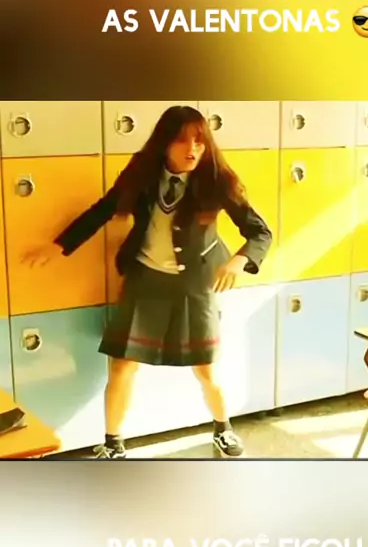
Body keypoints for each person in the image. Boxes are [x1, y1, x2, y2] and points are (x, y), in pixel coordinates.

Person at [23, 106, 272, 459]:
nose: (192, 149)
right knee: (122, 365)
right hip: (145, 280)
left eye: (199, 141)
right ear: (164, 142)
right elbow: (103, 209)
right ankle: (113, 444)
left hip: (194, 285)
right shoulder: (142, 172)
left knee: (206, 368)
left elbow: (260, 232)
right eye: (182, 140)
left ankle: (223, 428)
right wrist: (58, 246)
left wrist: (239, 260)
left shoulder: (215, 179)